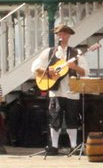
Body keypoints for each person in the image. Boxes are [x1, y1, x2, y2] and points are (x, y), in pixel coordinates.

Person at [31, 24, 85, 156]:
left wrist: (75, 67)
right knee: (54, 117)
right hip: (55, 91)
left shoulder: (76, 53)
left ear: (69, 36)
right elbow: (35, 68)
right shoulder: (49, 52)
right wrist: (48, 70)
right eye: (59, 34)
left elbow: (84, 72)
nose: (62, 36)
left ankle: (73, 146)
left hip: (72, 91)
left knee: (72, 118)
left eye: (64, 34)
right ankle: (54, 146)